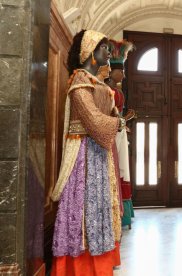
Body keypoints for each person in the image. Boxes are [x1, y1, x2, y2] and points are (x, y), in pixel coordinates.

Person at [50, 29, 124, 276]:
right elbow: (93, 119)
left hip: (98, 151)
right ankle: (79, 267)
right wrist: (117, 123)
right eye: (103, 48)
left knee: (99, 205)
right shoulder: (80, 81)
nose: (108, 52)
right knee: (84, 205)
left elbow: (106, 114)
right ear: (90, 51)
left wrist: (115, 117)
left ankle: (99, 263)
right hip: (85, 153)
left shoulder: (97, 83)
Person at [107, 39, 136, 229]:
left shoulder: (117, 92)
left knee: (122, 170)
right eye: (122, 71)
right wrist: (125, 120)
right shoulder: (108, 91)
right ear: (113, 70)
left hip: (117, 134)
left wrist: (125, 120)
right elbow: (109, 117)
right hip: (110, 137)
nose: (124, 76)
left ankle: (123, 213)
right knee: (117, 170)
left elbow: (117, 118)